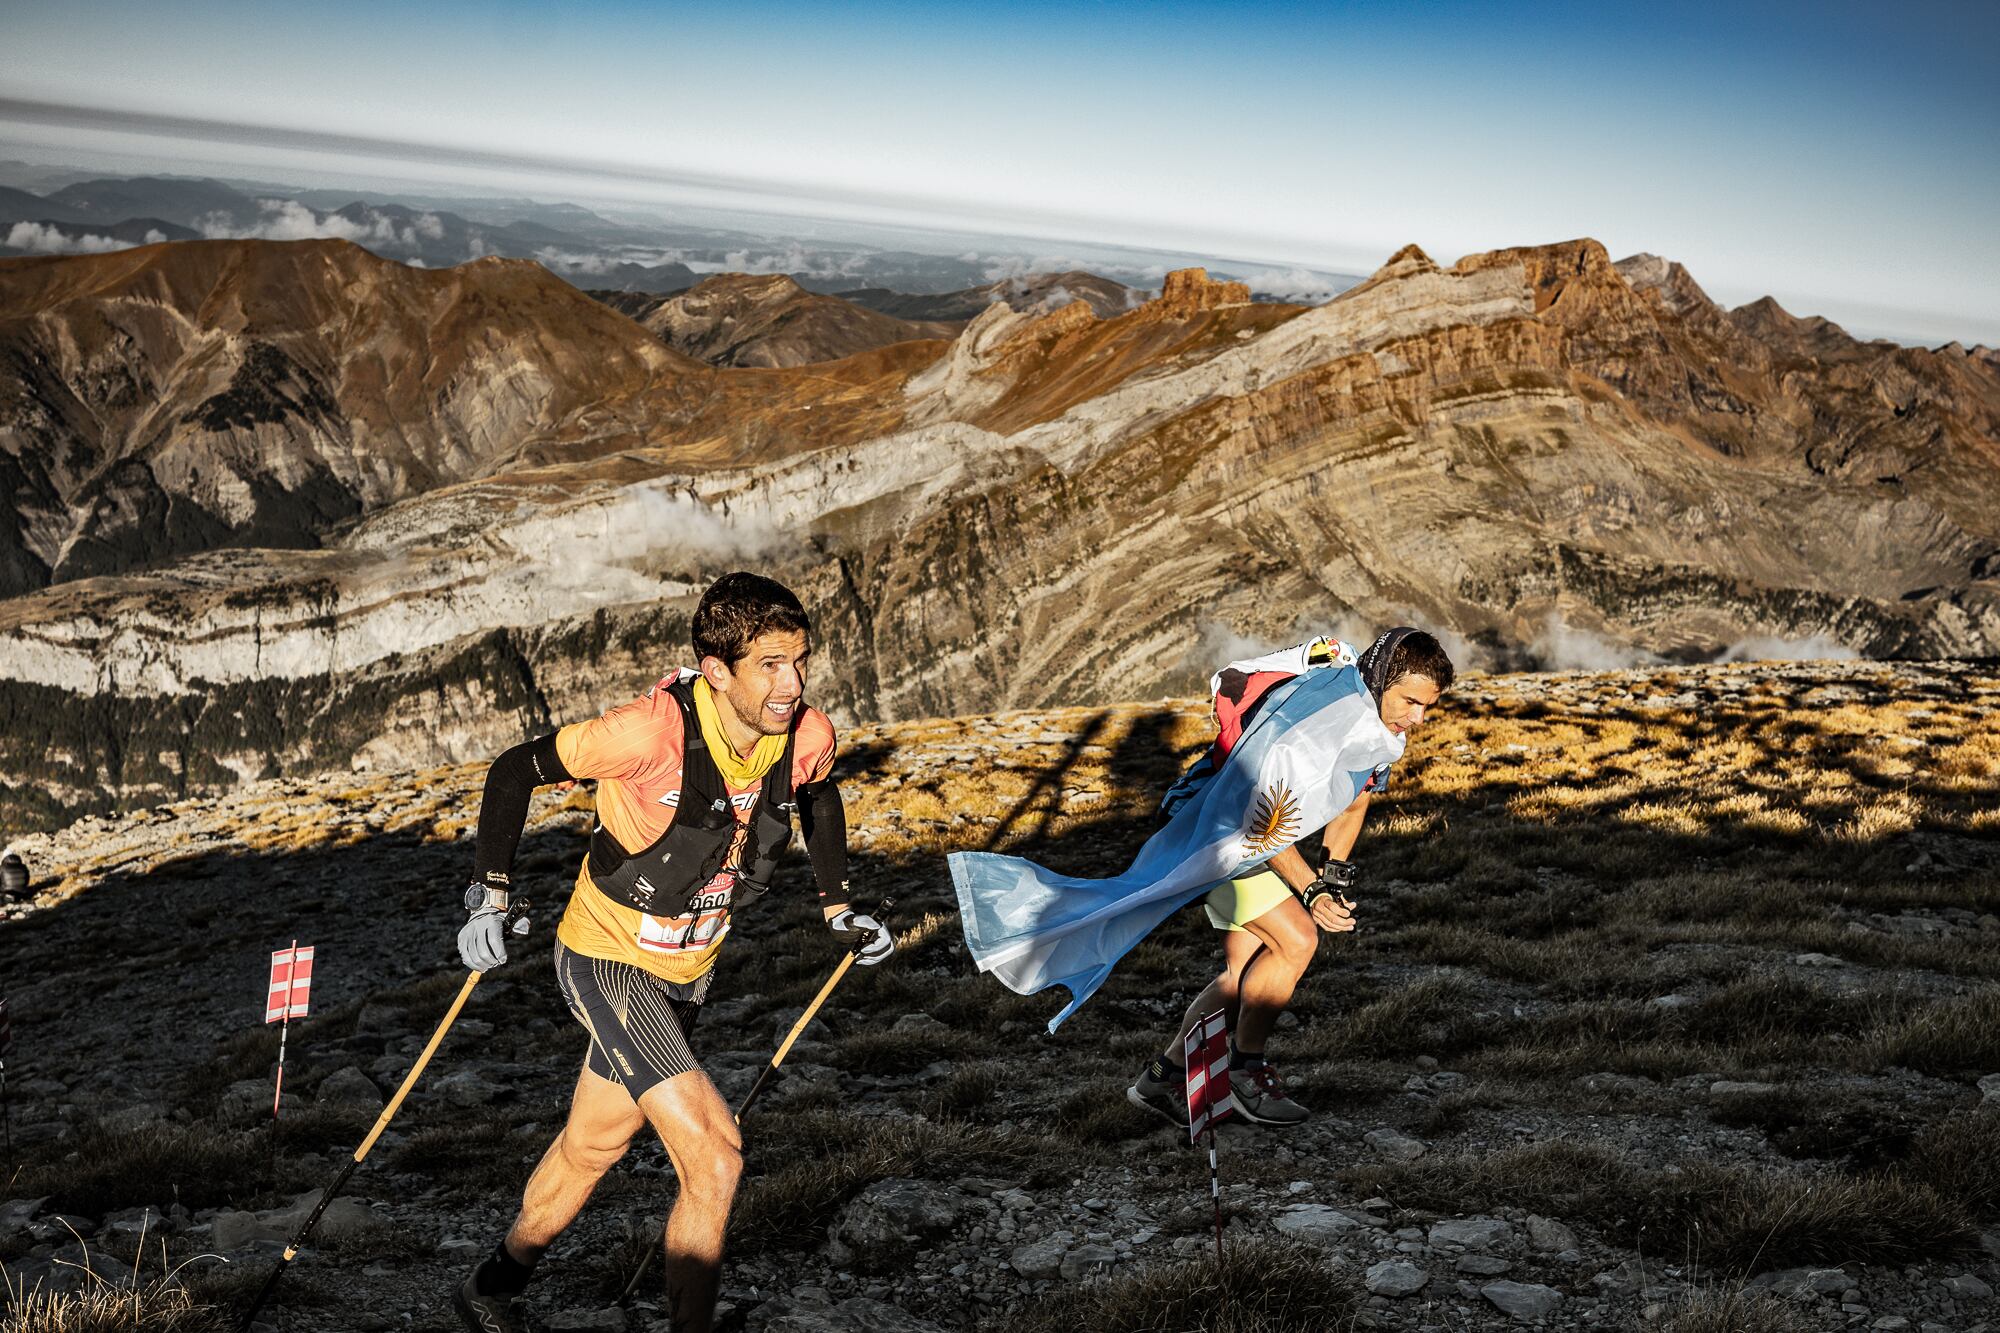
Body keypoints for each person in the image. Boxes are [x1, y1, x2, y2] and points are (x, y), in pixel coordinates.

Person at [449, 572, 892, 1333]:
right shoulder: (648, 732)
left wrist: (839, 903)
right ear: (716, 671)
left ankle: (493, 1282)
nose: (793, 683)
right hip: (607, 959)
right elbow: (514, 769)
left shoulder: (806, 735)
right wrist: (490, 895)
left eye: (801, 660)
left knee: (594, 1144)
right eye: (771, 665)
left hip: (689, 973)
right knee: (716, 1156)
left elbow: (816, 793)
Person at [1126, 628, 1453, 1127]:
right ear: (1381, 678)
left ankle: (1160, 1081)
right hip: (1212, 830)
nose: (1417, 718)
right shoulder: (1317, 717)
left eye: (1427, 707)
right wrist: (1312, 889)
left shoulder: (1380, 730)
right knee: (1297, 940)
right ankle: (1243, 1074)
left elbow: (1357, 793)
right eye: (1410, 701)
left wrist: (1333, 873)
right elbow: (1259, 819)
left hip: (1250, 835)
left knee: (1244, 976)